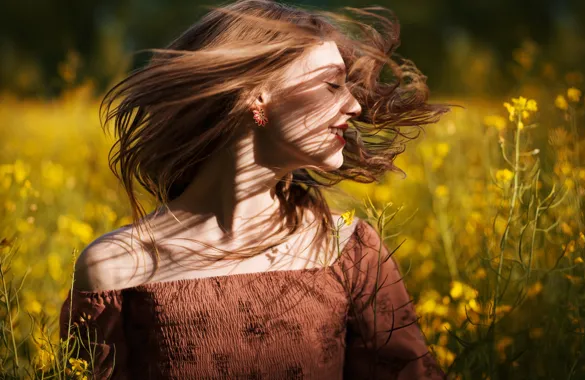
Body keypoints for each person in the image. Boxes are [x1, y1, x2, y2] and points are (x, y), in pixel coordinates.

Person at [59, 0, 451, 378]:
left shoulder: (348, 250)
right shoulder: (116, 268)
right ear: (257, 93)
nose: (354, 106)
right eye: (332, 85)